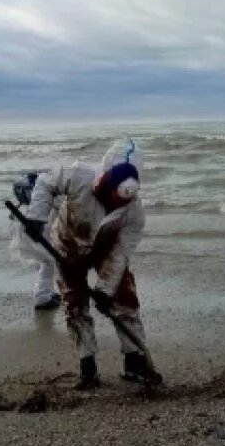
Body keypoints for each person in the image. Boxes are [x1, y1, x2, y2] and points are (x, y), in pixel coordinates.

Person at [25, 139, 163, 389]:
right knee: (74, 303)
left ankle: (134, 361)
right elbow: (45, 183)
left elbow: (120, 253)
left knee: (125, 299)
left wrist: (105, 289)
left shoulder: (134, 212)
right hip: (67, 245)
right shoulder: (79, 176)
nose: (112, 204)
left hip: (105, 250)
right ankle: (87, 365)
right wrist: (36, 217)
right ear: (103, 181)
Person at [11, 172, 60, 311]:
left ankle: (45, 293)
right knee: (49, 262)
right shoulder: (44, 204)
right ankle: (42, 298)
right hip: (36, 236)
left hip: (27, 236)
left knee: (45, 263)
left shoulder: (26, 206)